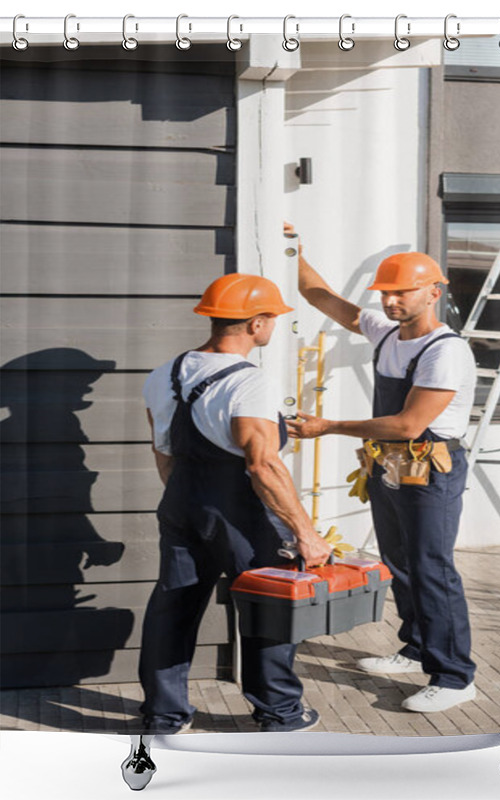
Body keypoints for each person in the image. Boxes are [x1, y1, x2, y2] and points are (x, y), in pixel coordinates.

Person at [286, 226, 478, 713]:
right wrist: (296, 251)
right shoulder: (387, 331)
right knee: (401, 562)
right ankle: (416, 648)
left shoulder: (445, 351)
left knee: (433, 570)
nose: (390, 300)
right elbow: (320, 296)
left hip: (428, 466)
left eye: (401, 292)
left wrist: (328, 426)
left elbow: (410, 423)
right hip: (389, 465)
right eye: (385, 293)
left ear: (433, 292)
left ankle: (454, 676)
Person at [139, 272, 332, 734]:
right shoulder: (250, 384)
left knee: (174, 606)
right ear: (257, 323)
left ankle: (163, 716)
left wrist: (187, 503)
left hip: (182, 501)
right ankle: (280, 713)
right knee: (268, 605)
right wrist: (306, 533)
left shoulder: (162, 374)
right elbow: (263, 466)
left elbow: (163, 451)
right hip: (239, 513)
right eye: (273, 318)